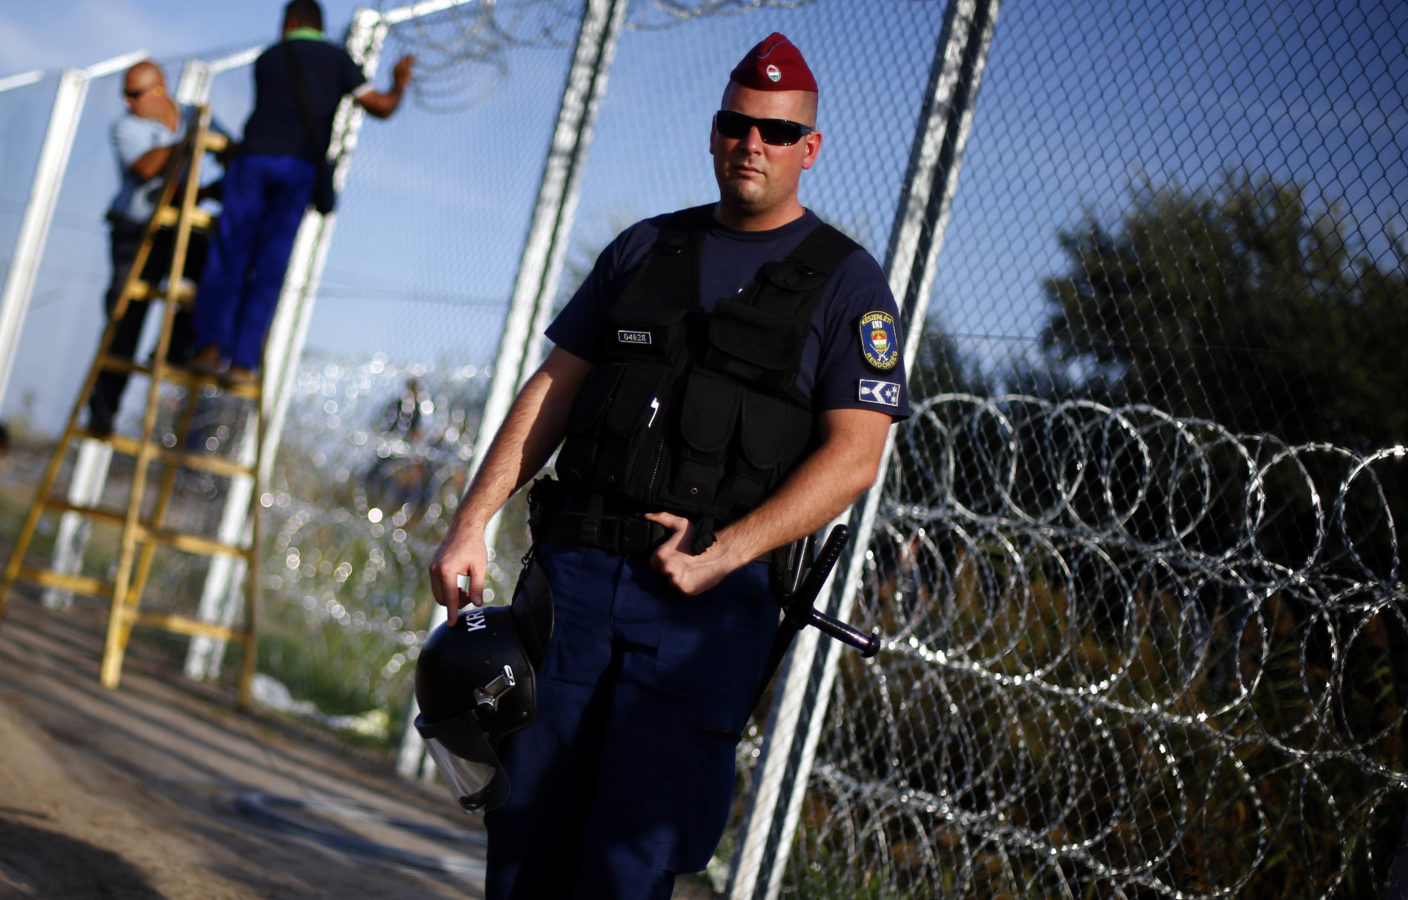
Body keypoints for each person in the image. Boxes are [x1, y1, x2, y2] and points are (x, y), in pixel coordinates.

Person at [424, 34, 912, 898]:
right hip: (571, 586)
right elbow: (554, 390)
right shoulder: (645, 250)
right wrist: (472, 523)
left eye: (773, 131)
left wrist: (728, 551)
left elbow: (855, 457)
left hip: (702, 614)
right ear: (715, 131)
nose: (750, 144)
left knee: (629, 859)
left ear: (811, 148)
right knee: (525, 837)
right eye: (735, 124)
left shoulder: (846, 286)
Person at [187, 0, 415, 384]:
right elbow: (380, 107)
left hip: (254, 158)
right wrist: (399, 82)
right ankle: (242, 364)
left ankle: (209, 348)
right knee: (270, 264)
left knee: (230, 253)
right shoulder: (338, 61)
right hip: (299, 168)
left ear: (291, 22)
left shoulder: (268, 59)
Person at [87, 60, 223, 437]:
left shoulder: (195, 116)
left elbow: (225, 150)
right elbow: (146, 169)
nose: (128, 102)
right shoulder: (126, 127)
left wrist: (228, 171)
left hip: (178, 226)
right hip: (137, 229)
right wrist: (188, 144)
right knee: (124, 318)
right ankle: (102, 411)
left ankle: (180, 347)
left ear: (159, 90)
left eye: (134, 94)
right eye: (125, 95)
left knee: (214, 270)